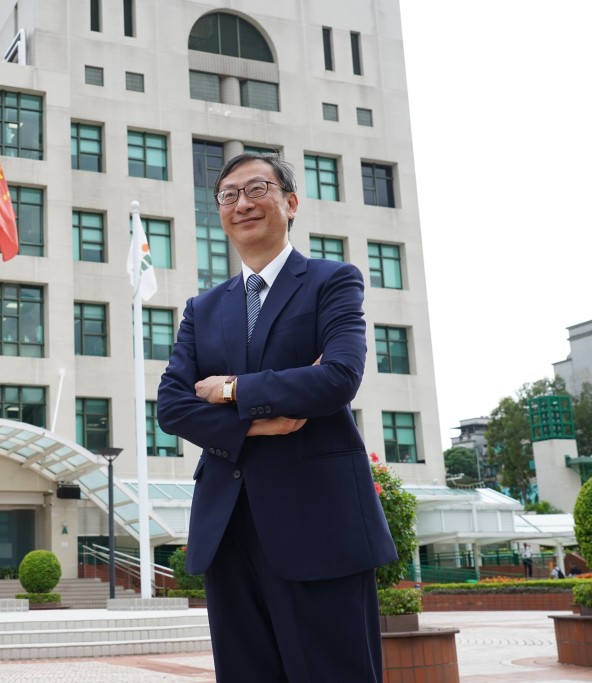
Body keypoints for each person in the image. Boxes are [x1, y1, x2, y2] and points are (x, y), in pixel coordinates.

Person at [157, 152, 397, 683]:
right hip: (227, 530)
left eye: (256, 189)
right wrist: (254, 421)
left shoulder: (332, 281)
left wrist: (231, 389)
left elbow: (337, 378)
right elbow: (172, 406)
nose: (241, 203)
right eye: (228, 195)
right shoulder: (202, 308)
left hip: (319, 526)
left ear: (290, 203)